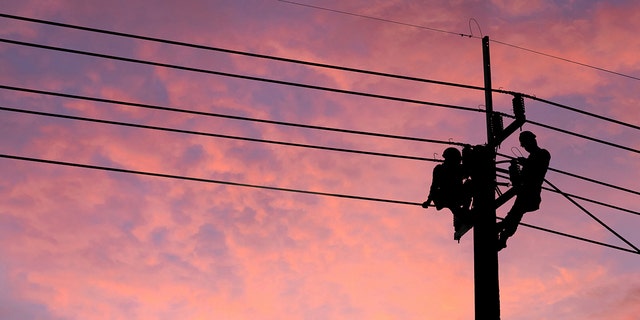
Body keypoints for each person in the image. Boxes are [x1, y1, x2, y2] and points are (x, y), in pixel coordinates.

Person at [497, 131, 550, 251]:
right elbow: (518, 181)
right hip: (525, 193)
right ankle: (503, 236)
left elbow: (538, 168)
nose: (525, 147)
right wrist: (513, 169)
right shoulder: (530, 159)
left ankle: (502, 233)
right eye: (523, 145)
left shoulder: (543, 153)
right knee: (514, 216)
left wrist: (525, 163)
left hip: (531, 194)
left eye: (525, 144)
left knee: (514, 215)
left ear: (532, 140)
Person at [422, 147, 472, 240]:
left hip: (456, 196)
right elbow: (434, 186)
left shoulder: (459, 168)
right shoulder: (440, 169)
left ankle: (463, 213)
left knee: (469, 184)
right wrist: (428, 201)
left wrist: (467, 155)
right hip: (446, 197)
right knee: (455, 207)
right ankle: (461, 216)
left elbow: (468, 172)